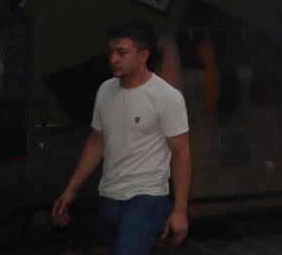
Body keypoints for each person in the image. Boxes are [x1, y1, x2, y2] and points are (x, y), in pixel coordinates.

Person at [52, 22, 192, 253]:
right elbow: (97, 141)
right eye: (111, 52)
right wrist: (71, 189)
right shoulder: (105, 91)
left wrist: (179, 211)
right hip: (109, 197)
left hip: (147, 199)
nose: (113, 59)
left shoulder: (167, 97)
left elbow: (181, 153)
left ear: (143, 55)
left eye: (122, 52)